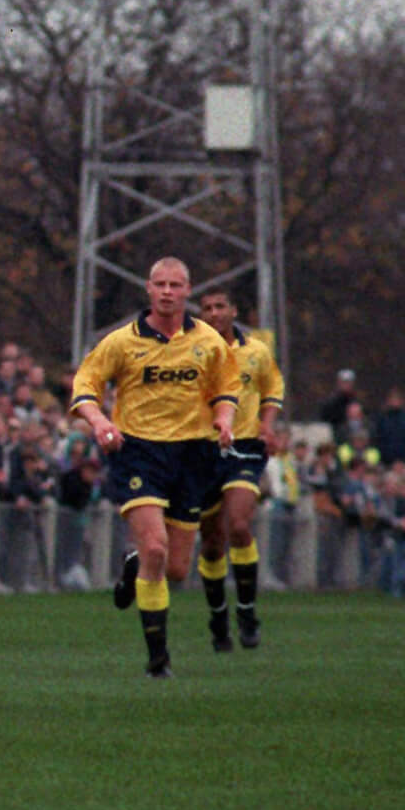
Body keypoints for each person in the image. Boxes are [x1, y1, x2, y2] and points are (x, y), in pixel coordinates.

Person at [70, 257, 238, 678]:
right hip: (139, 451)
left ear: (188, 291)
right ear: (148, 288)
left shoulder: (208, 342)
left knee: (176, 569)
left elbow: (226, 389)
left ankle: (134, 564)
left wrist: (224, 420)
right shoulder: (122, 342)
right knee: (157, 549)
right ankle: (158, 658)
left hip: (192, 454)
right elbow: (85, 385)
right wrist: (100, 422)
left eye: (175, 285)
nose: (167, 291)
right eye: (160, 284)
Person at [194, 287, 285, 652]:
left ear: (233, 310)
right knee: (212, 542)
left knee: (239, 524)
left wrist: (268, 425)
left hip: (244, 447)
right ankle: (218, 616)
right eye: (207, 308)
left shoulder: (256, 351)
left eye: (220, 306)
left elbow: (272, 390)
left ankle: (246, 610)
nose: (214, 313)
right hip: (203, 451)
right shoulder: (192, 352)